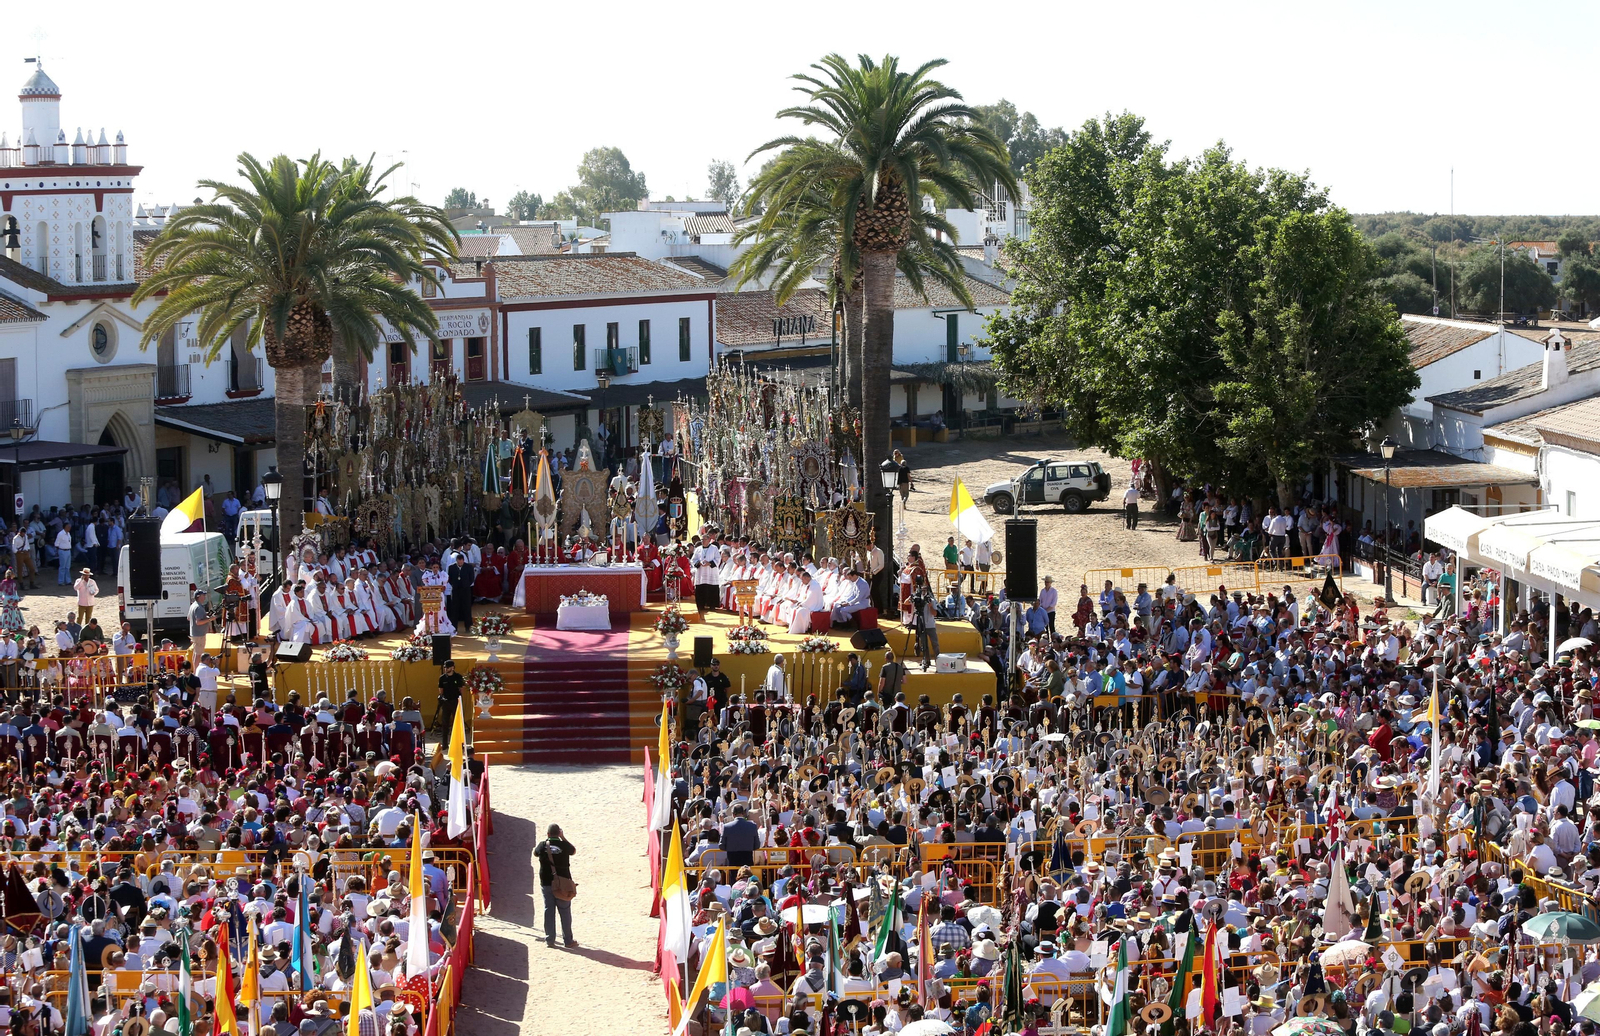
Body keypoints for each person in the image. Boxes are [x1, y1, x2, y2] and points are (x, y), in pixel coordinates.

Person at [534, 823, 578, 948]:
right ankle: (568, 940)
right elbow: (573, 851)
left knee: (549, 910)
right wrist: (563, 838)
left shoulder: (542, 845)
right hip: (562, 884)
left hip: (547, 882)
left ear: (548, 834)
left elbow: (535, 853)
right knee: (564, 911)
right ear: (559, 833)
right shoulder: (564, 845)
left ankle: (550, 940)